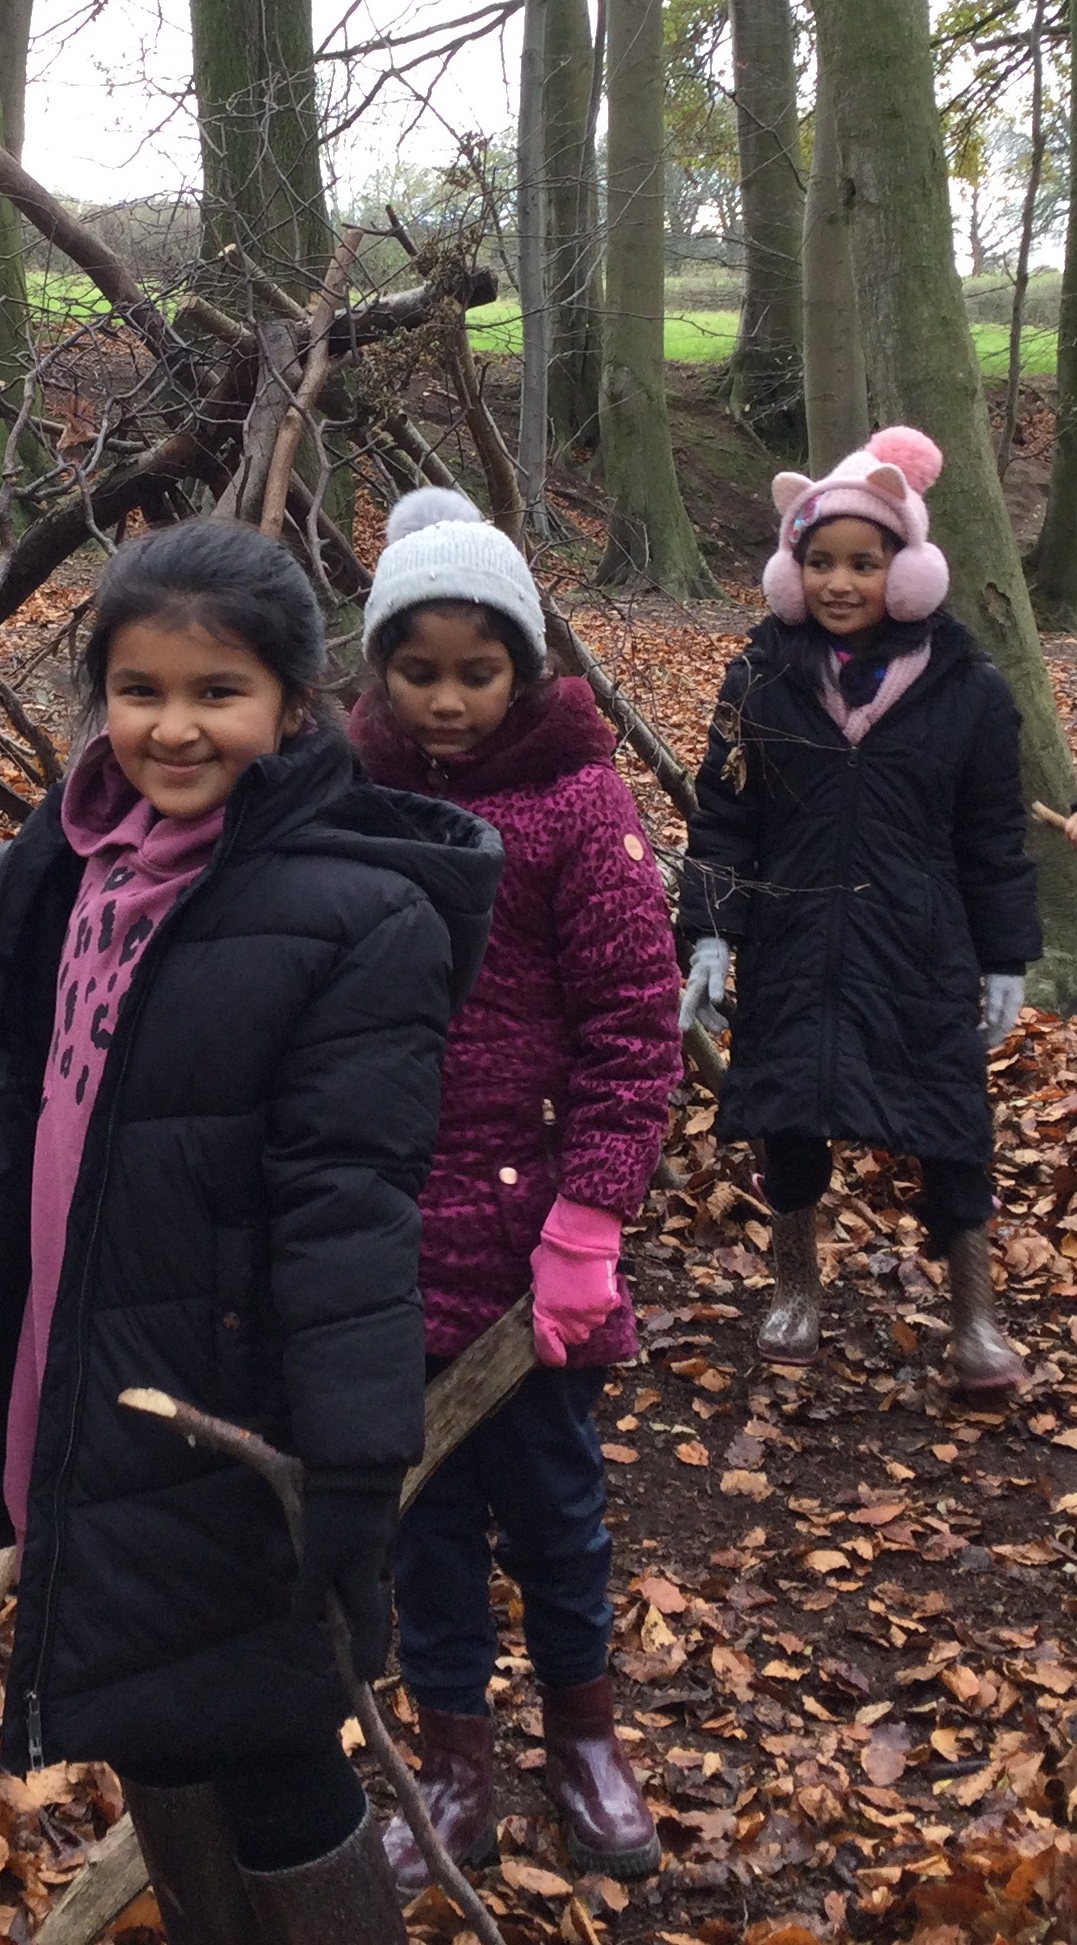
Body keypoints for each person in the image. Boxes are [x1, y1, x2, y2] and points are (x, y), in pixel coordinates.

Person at [0, 522, 503, 1943]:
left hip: (229, 1396)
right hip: (80, 1363)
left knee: (259, 1732)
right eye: (139, 689)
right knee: (149, 1707)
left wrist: (350, 1464)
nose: (172, 725)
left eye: (216, 693)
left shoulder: (353, 916)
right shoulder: (64, 867)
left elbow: (349, 1209)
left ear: (293, 709)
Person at [346, 489, 679, 1888]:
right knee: (417, 1515)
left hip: (537, 1241)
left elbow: (630, 1021)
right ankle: (452, 1754)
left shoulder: (572, 803)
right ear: (376, 671)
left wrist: (588, 1217)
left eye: (472, 671)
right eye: (414, 672)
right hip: (386, 1240)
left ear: (525, 665)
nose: (443, 700)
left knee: (551, 1505)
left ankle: (586, 1737)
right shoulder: (349, 796)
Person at [678, 427, 1040, 1396]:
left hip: (921, 945)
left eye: (862, 562)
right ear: (791, 571)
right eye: (819, 562)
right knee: (789, 1111)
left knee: (951, 1123)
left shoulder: (966, 691)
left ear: (905, 570)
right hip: (795, 940)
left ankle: (972, 1317)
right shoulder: (757, 679)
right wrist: (710, 930)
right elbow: (723, 813)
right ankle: (792, 1285)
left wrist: (1004, 955)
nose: (840, 581)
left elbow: (992, 839)